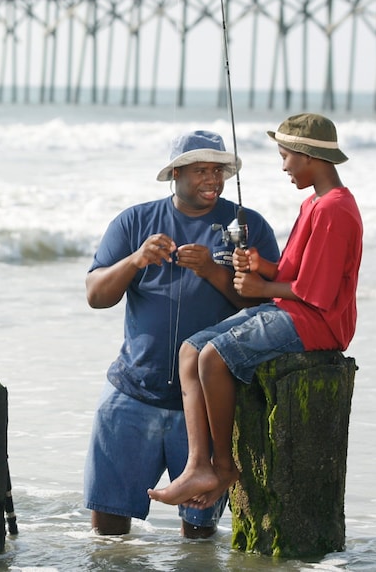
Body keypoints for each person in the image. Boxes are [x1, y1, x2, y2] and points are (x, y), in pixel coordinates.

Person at [147, 113, 363, 510]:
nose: (283, 166)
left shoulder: (334, 209)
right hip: (294, 312)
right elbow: (296, 273)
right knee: (190, 351)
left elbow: (320, 294)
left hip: (317, 325)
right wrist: (263, 267)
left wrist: (262, 288)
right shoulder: (313, 203)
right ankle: (198, 464)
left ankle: (223, 466)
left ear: (307, 155)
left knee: (214, 357)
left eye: (286, 157)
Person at [84, 130, 280, 538]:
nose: (212, 179)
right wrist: (135, 260)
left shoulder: (248, 224)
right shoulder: (135, 220)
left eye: (218, 171)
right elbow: (96, 296)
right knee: (108, 532)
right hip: (131, 394)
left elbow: (263, 310)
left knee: (199, 537)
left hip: (209, 409)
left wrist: (212, 270)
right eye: (200, 170)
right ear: (175, 173)